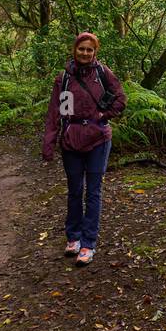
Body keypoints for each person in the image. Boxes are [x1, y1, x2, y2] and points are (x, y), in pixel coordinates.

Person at [41, 32, 126, 266]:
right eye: (82, 49)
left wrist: (102, 115)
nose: (85, 53)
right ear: (74, 50)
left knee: (94, 192)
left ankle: (88, 243)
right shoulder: (64, 79)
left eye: (90, 50)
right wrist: (49, 142)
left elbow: (120, 99)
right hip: (71, 140)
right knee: (75, 190)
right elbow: (55, 112)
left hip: (98, 139)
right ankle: (74, 237)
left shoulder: (103, 74)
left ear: (95, 52)